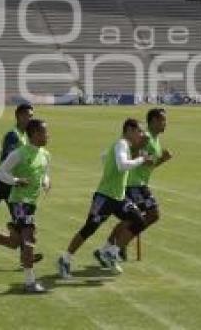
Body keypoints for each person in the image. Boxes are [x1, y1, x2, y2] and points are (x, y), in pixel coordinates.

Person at [57, 118, 155, 278]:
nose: (141, 134)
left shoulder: (122, 146)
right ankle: (65, 258)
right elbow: (122, 165)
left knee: (139, 220)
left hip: (118, 197)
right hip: (105, 197)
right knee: (89, 229)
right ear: (129, 130)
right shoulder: (121, 144)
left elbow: (104, 156)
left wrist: (112, 169)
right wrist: (141, 159)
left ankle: (111, 252)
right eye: (139, 131)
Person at [0, 118, 51, 293]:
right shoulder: (19, 153)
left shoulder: (45, 154)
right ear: (34, 134)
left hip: (31, 203)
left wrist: (46, 182)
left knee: (14, 243)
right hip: (19, 202)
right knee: (29, 237)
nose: (47, 135)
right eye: (44, 132)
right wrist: (15, 180)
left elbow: (44, 173)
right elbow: (0, 172)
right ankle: (30, 282)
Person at [105, 108, 172, 261]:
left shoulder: (154, 139)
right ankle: (116, 248)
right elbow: (132, 154)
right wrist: (139, 151)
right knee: (151, 215)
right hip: (133, 184)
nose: (165, 124)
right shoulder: (146, 137)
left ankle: (110, 247)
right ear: (154, 121)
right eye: (163, 120)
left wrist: (162, 159)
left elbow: (149, 166)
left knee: (131, 218)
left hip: (140, 183)